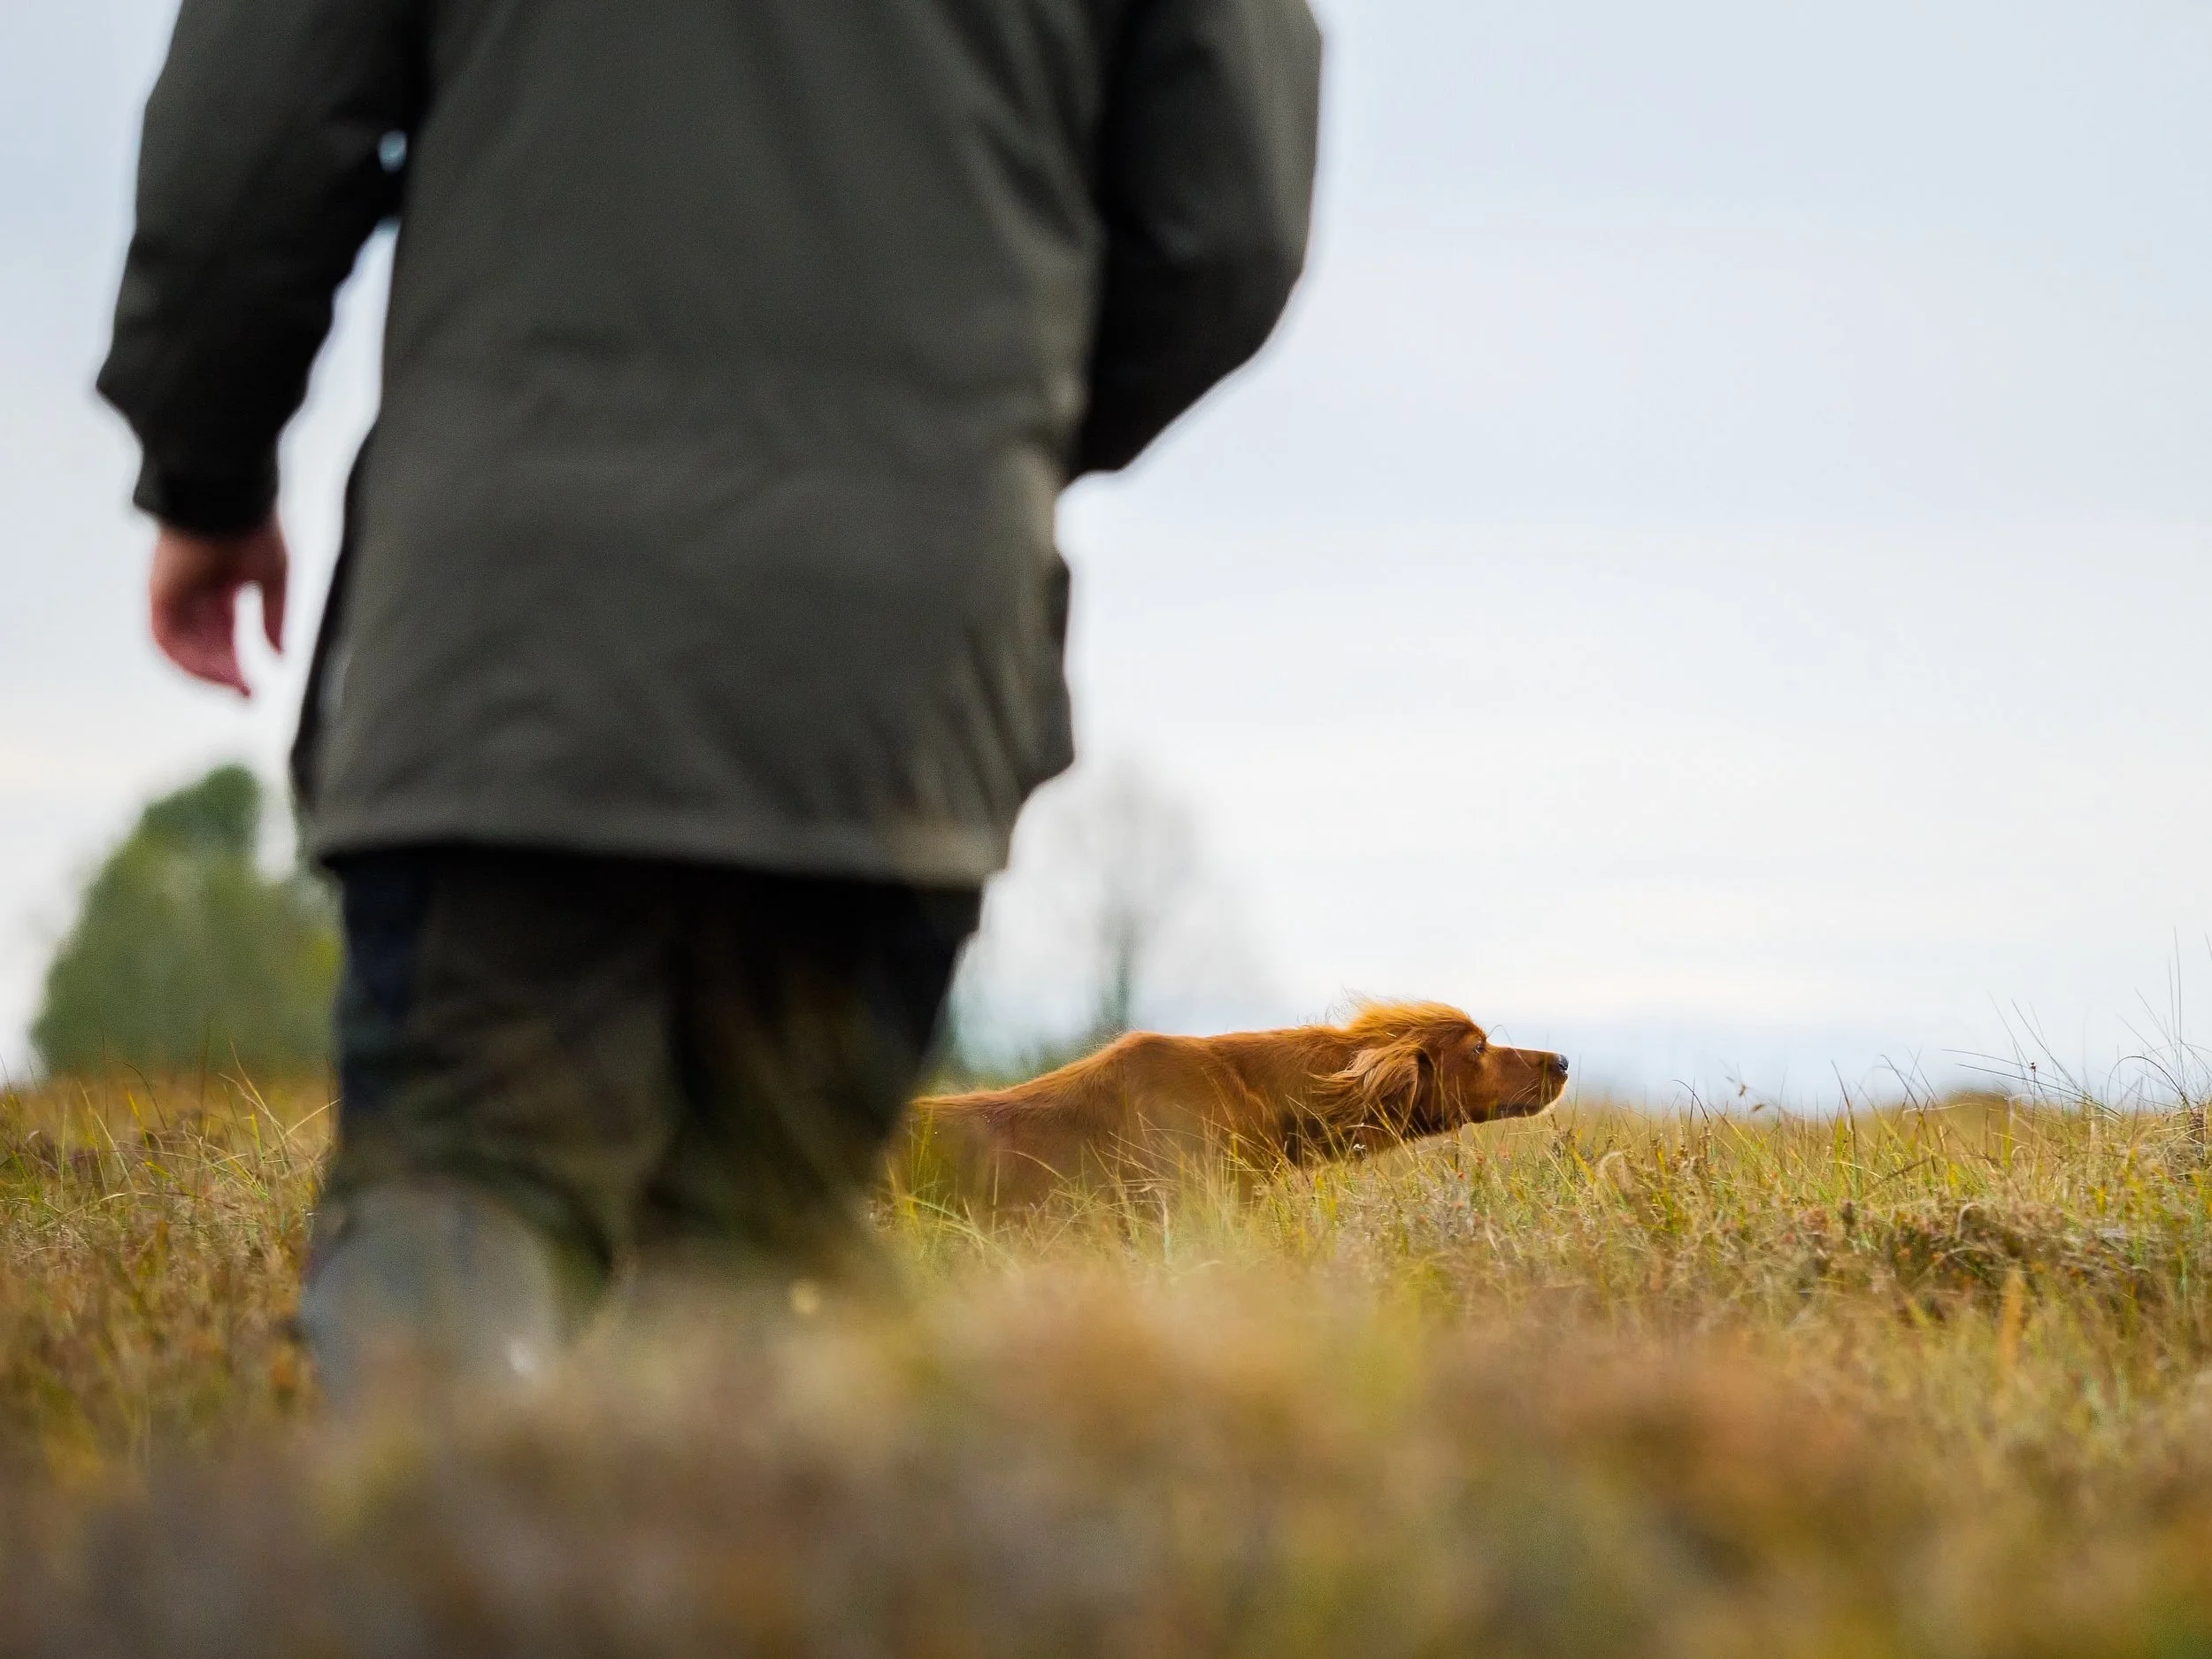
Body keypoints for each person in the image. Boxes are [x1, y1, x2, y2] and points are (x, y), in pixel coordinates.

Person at [100, 0, 1321, 1402]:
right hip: (891, 666)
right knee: (763, 1251)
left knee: (468, 1189)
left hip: (509, 646)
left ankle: (423, 1571)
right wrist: (966, 445)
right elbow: (1231, 230)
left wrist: (206, 472)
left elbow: (240, 146)